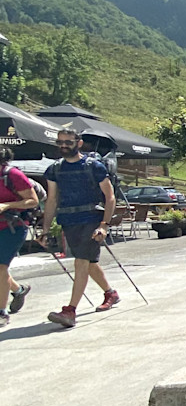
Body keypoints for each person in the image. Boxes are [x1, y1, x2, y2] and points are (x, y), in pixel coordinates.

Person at [42, 127, 120, 328]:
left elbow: (110, 197)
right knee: (88, 263)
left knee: (80, 262)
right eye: (60, 142)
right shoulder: (55, 169)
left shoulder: (94, 166)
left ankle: (70, 311)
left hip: (91, 220)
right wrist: (45, 229)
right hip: (68, 221)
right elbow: (51, 200)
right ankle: (111, 293)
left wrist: (104, 225)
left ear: (78, 143)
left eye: (68, 142)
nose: (63, 146)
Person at [0, 148, 38, 328]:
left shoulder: (12, 174)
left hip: (12, 227)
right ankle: (18, 290)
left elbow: (33, 200)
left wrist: (7, 205)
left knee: (0, 268)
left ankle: (1, 313)